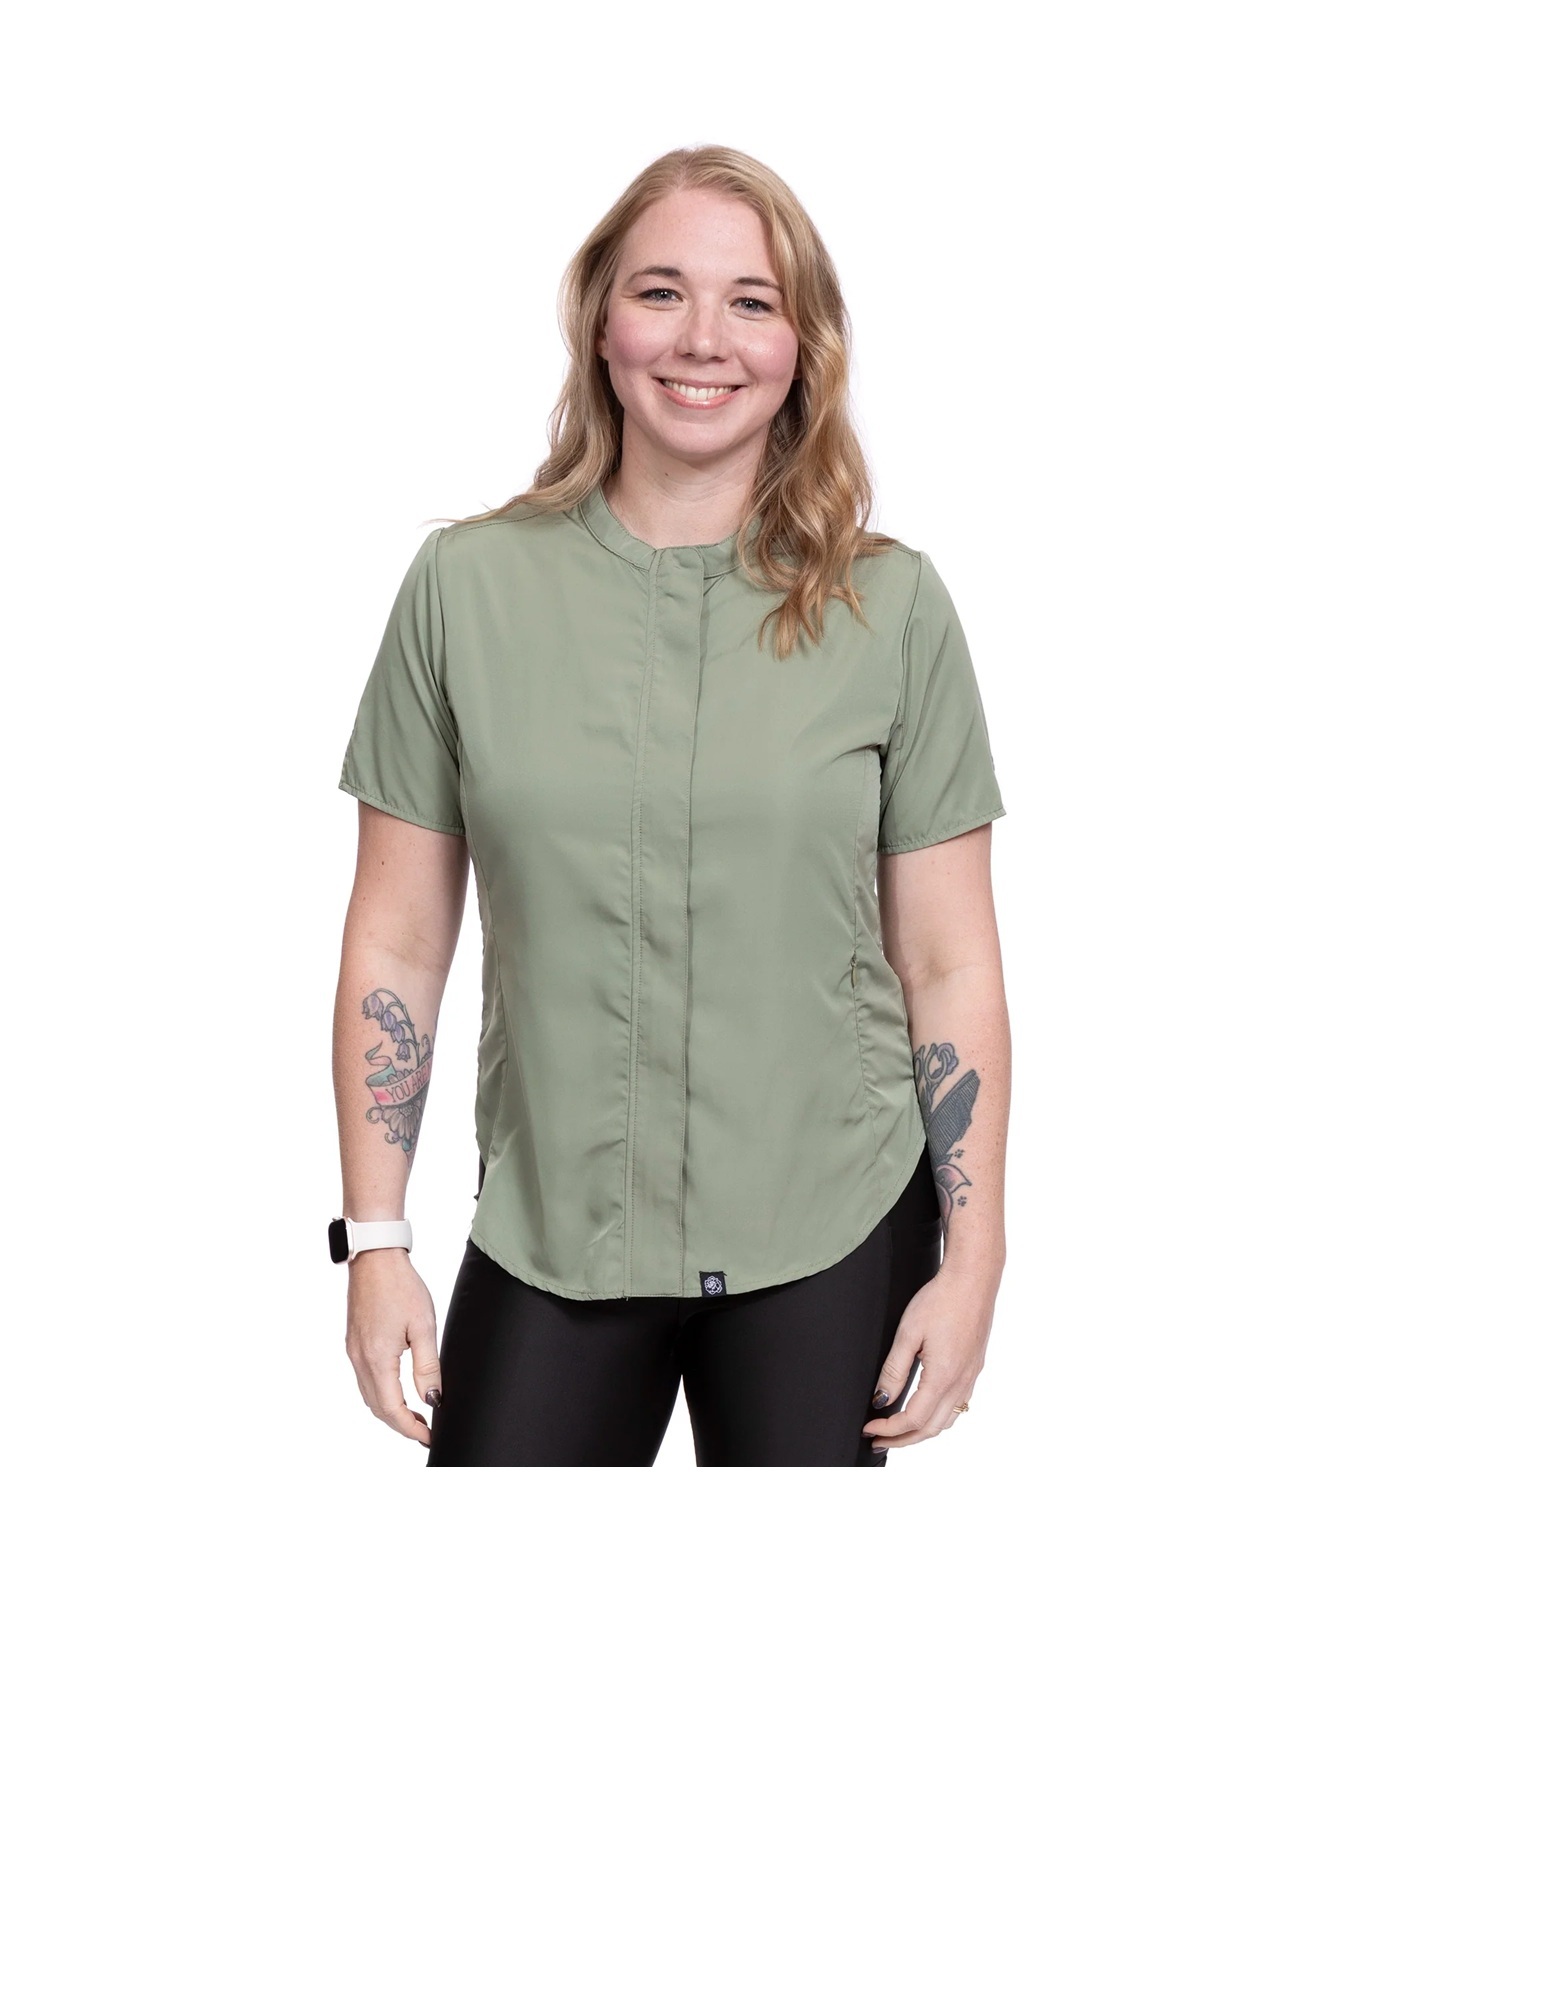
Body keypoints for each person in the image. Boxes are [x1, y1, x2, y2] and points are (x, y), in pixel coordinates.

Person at [330, 144, 1011, 1467]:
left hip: (830, 1220)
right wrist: (377, 1241)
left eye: (753, 302)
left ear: (803, 346)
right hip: (552, 1225)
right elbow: (396, 942)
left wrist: (974, 1257)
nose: (705, 340)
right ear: (600, 323)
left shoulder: (894, 609)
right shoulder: (465, 588)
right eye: (661, 293)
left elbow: (948, 958)